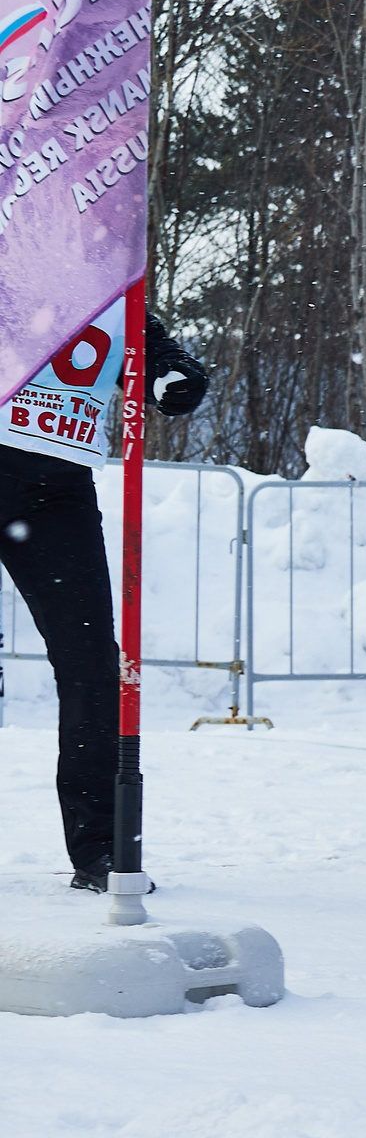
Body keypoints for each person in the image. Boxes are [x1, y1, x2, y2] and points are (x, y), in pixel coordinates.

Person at [2, 305, 206, 890]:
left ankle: (99, 849)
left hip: (56, 493)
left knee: (92, 664)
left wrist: (174, 377)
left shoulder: (111, 284)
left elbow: (158, 353)